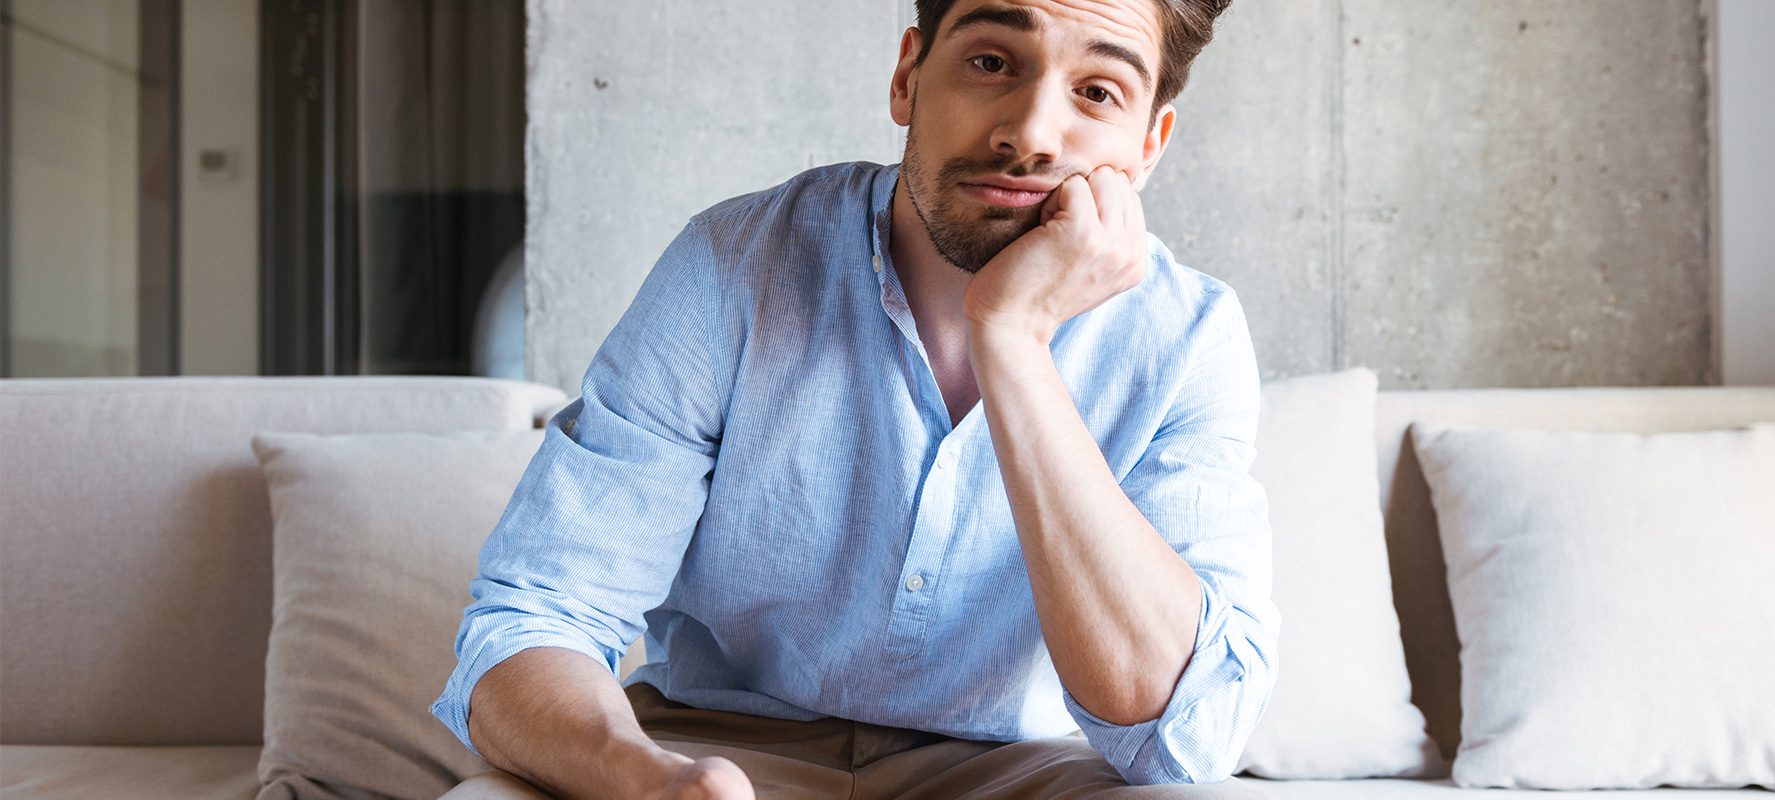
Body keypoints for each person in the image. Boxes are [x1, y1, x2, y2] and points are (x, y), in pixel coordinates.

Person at [431, 1, 1278, 797]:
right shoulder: (731, 267)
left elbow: (1183, 733)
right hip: (719, 745)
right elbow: (530, 620)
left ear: (1149, 143)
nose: (1030, 133)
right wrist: (647, 780)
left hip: (1019, 772)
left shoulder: (1187, 336)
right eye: (991, 61)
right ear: (909, 76)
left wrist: (1013, 343)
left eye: (1098, 92)